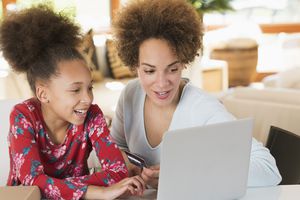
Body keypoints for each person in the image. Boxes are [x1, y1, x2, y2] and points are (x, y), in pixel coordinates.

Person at [111, 0, 282, 189]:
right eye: (149, 71)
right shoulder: (131, 94)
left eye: (172, 69)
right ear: (135, 64)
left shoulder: (202, 108)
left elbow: (268, 169)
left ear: (184, 62)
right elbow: (116, 148)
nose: (161, 83)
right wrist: (127, 165)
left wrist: (183, 175)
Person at [0, 6, 145, 200]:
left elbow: (118, 172)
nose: (88, 98)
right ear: (43, 94)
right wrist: (98, 192)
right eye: (75, 89)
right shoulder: (23, 116)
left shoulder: (92, 115)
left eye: (90, 87)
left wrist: (55, 186)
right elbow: (31, 182)